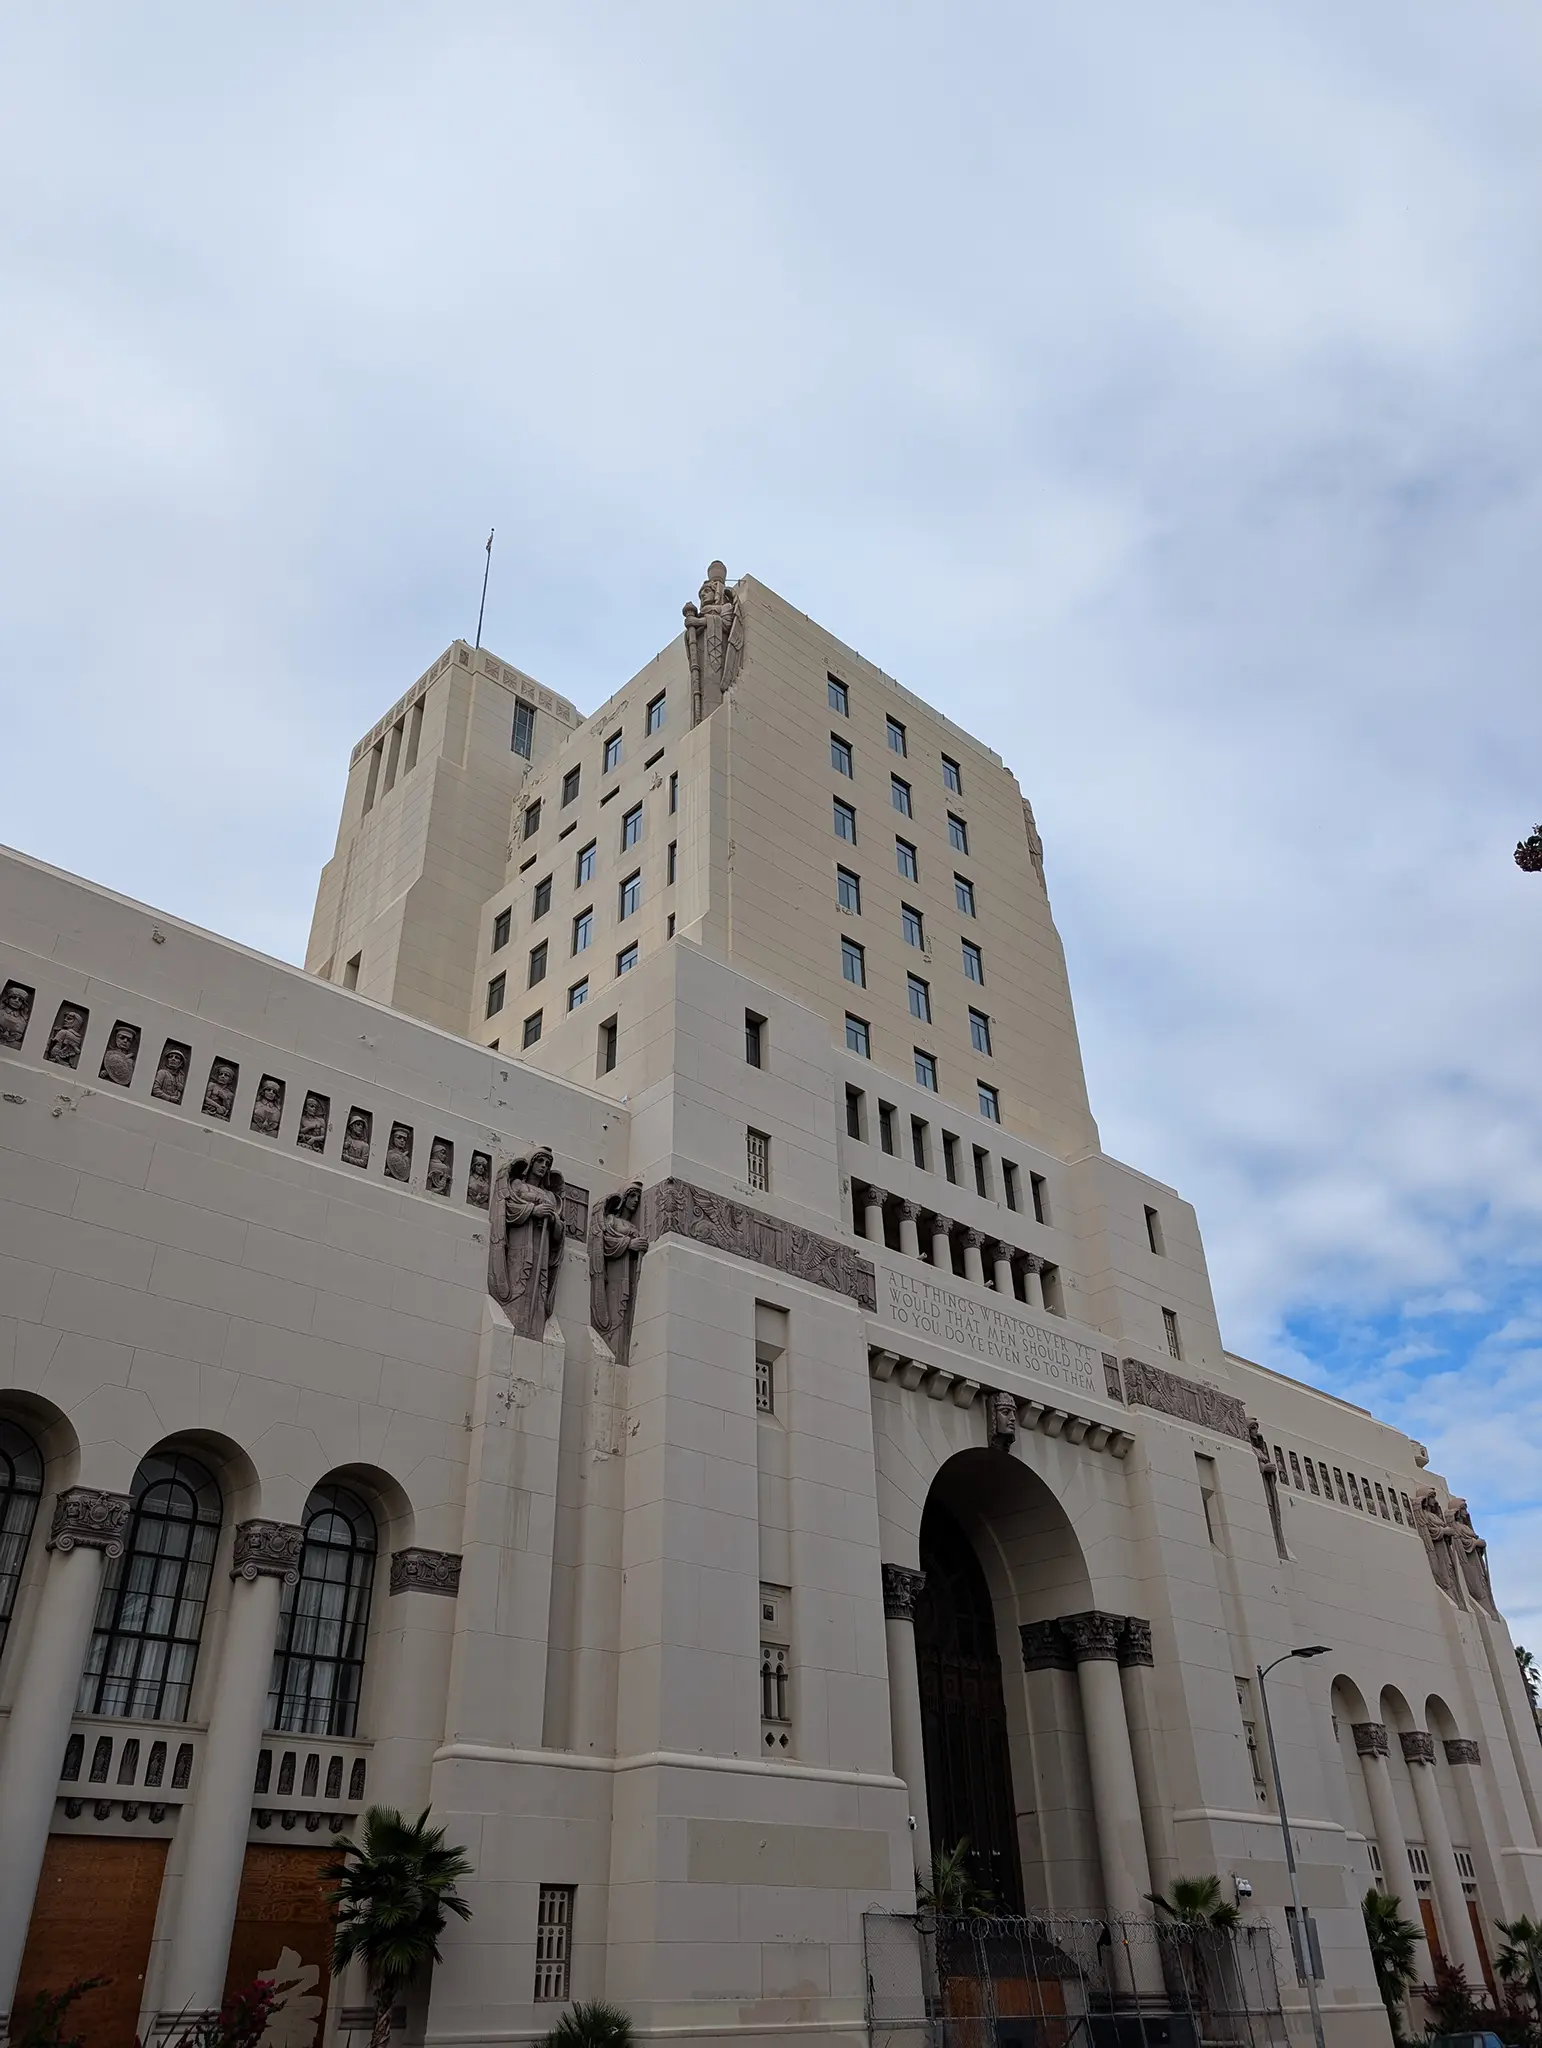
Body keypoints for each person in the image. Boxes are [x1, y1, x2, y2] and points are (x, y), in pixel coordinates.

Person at [489, 1146, 566, 1337]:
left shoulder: (550, 1196)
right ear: (531, 1163)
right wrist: (532, 1211)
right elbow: (508, 1209)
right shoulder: (516, 1185)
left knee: (539, 1287)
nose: (543, 1166)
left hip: (543, 1247)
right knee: (519, 1280)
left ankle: (533, 1329)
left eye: (547, 1164)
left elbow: (559, 1234)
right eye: (540, 1161)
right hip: (520, 1243)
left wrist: (554, 1219)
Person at [590, 1181, 648, 1366]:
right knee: (615, 1313)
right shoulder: (610, 1220)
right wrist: (629, 1244)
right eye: (631, 1196)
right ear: (623, 1198)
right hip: (614, 1276)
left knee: (625, 1316)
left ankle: (621, 1353)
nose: (635, 1201)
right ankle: (613, 1351)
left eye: (638, 1197)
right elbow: (604, 1241)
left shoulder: (632, 1226)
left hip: (629, 1276)